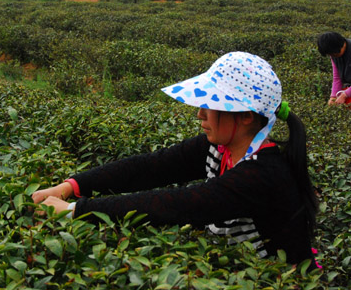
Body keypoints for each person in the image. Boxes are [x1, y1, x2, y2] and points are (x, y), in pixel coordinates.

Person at [32, 52, 319, 266]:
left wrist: (74, 210)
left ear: (245, 116)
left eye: (211, 105)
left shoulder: (261, 174)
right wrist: (70, 186)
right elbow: (150, 167)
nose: (200, 115)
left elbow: (176, 205)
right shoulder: (219, 149)